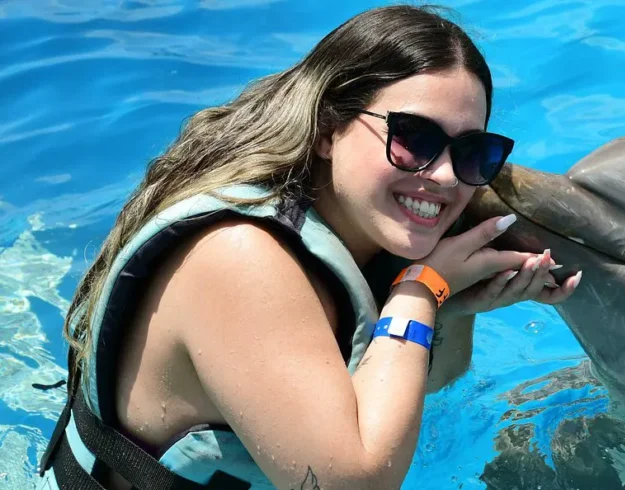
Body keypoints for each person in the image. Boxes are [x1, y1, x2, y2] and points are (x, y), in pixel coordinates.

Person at [35, 5, 581, 490]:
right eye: (413, 137)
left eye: (472, 152)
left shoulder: (358, 231)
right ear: (327, 129)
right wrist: (422, 289)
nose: (443, 175)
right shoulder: (240, 258)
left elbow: (430, 383)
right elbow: (355, 483)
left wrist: (454, 303)